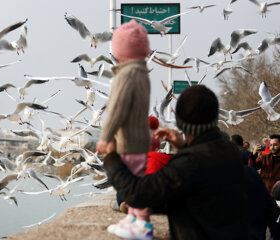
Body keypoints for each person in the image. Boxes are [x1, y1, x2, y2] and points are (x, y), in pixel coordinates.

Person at [103, 85, 247, 239]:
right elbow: (202, 178)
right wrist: (185, 147)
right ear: (215, 118)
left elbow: (138, 195)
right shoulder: (231, 151)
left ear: (180, 123)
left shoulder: (191, 162)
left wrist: (111, 157)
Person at [96, 19, 153, 239]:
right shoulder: (142, 73)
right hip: (139, 138)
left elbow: (117, 108)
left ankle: (142, 225)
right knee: (134, 181)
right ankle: (133, 218)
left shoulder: (126, 75)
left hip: (128, 140)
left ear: (120, 51)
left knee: (134, 185)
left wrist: (106, 136)